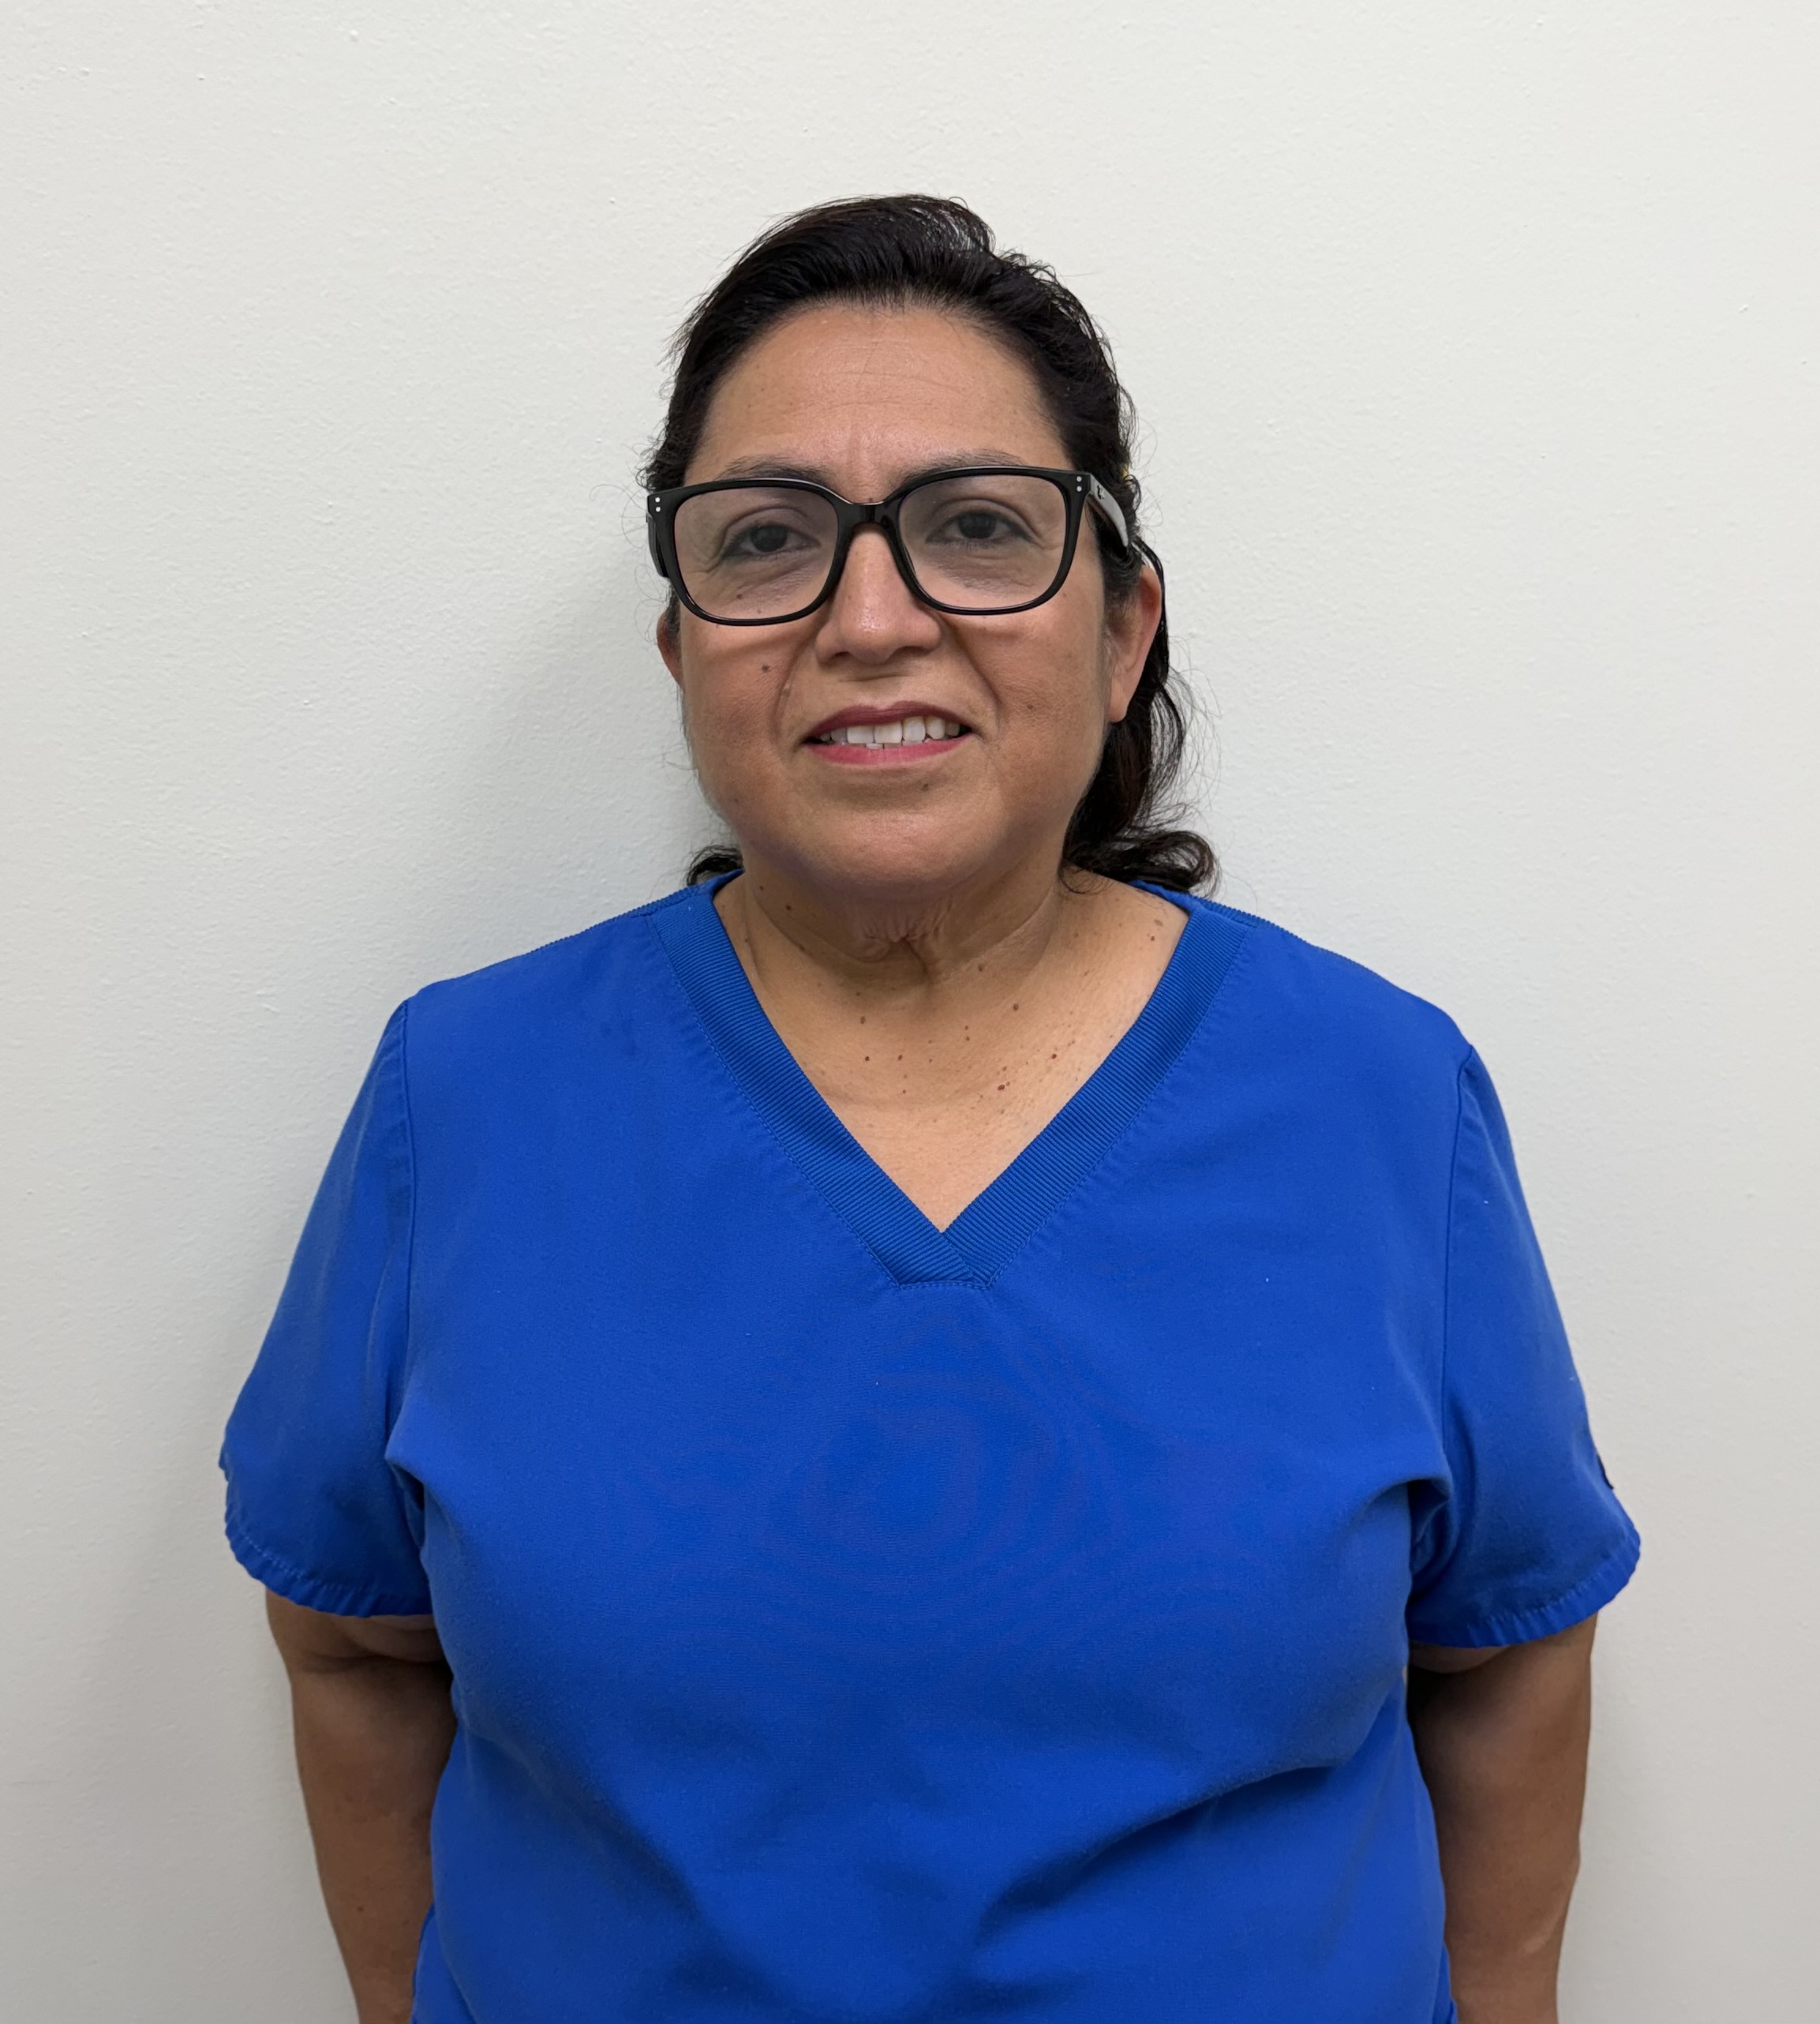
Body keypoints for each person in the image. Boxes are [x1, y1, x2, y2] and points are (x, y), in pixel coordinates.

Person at [223, 195, 1638, 2024]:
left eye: (977, 528)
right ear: (681, 655)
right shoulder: (467, 1093)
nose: (870, 619)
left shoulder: (1376, 1092)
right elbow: (348, 1637)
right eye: (767, 540)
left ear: (1122, 629)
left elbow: (1505, 1646)